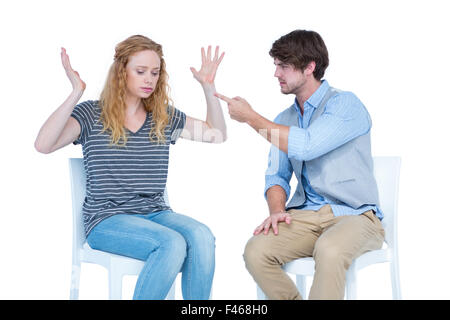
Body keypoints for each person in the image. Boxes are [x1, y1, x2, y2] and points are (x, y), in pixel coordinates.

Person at [35, 35, 227, 300]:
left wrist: (208, 88)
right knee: (171, 243)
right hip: (106, 220)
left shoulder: (163, 116)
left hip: (155, 214)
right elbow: (43, 145)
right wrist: (75, 92)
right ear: (121, 72)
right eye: (141, 71)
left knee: (202, 237)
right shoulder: (92, 114)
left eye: (155, 73)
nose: (149, 79)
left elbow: (215, 134)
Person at [216, 30, 385, 300]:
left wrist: (250, 118)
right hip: (306, 216)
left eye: (283, 66)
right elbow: (276, 177)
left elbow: (307, 145)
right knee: (256, 251)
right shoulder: (284, 119)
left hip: (355, 216)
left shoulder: (346, 105)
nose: (276, 74)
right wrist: (277, 211)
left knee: (329, 249)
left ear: (310, 67)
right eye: (275, 66)